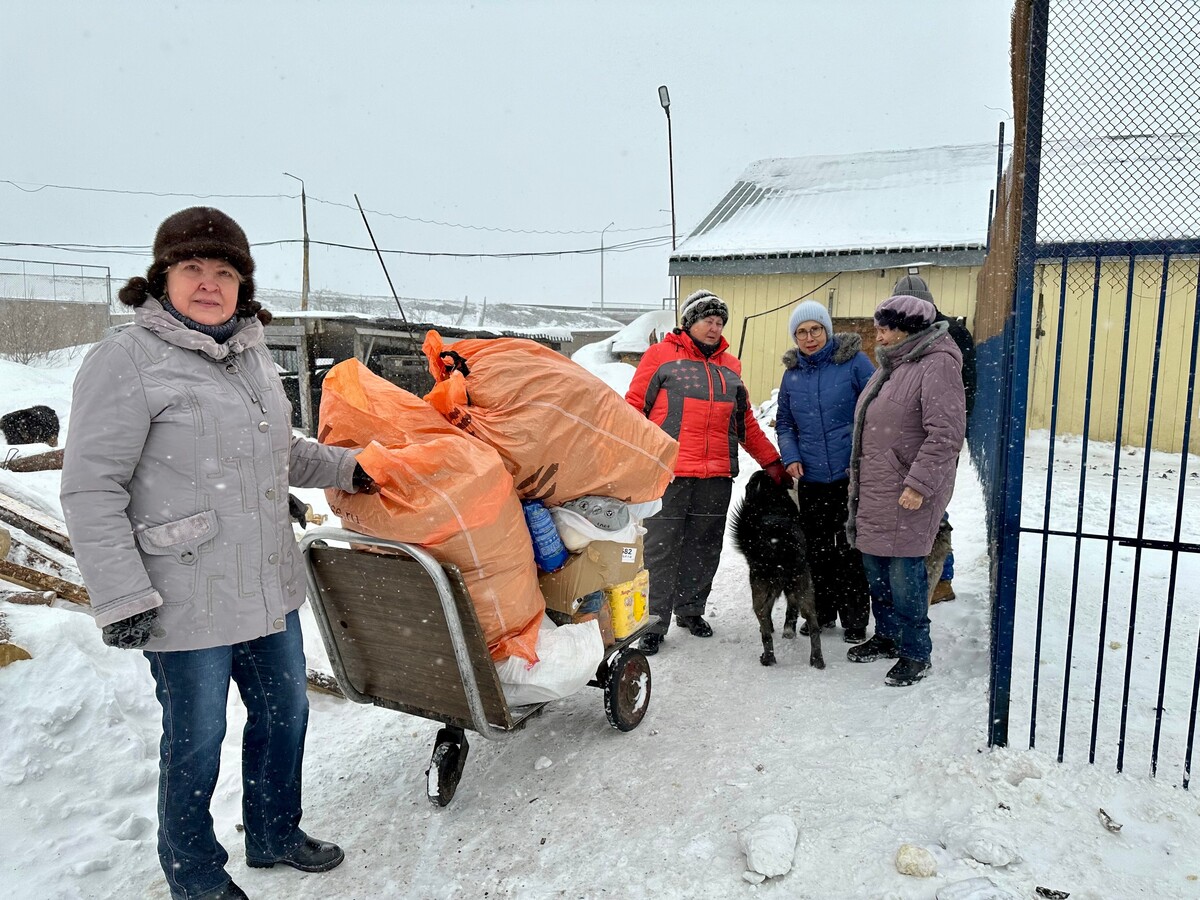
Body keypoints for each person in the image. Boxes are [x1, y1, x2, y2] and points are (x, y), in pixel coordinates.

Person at [60, 207, 378, 900]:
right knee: (197, 741)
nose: (210, 284)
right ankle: (196, 875)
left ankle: (272, 832)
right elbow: (91, 488)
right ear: (163, 279)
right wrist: (121, 597)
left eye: (224, 272)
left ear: (242, 285)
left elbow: (280, 453)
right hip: (182, 596)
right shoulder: (125, 360)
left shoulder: (253, 354)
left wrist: (350, 468)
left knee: (283, 717)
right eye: (193, 269)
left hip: (266, 585)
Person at [626, 289, 790, 655]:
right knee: (660, 548)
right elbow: (634, 410)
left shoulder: (730, 368)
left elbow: (744, 422)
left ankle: (691, 610)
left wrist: (772, 462)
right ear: (688, 322)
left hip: (715, 475)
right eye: (707, 320)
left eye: (719, 322)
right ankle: (653, 621)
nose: (714, 328)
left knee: (704, 547)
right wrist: (627, 459)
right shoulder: (660, 357)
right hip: (667, 473)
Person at [845, 294, 965, 686]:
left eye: (884, 328)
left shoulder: (938, 365)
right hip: (878, 487)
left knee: (904, 575)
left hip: (906, 491)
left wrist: (919, 484)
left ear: (908, 329)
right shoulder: (896, 364)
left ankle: (916, 653)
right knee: (877, 570)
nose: (877, 335)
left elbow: (945, 434)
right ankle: (888, 636)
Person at [774, 299, 875, 644]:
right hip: (813, 478)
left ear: (827, 330)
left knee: (850, 548)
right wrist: (790, 456)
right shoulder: (792, 375)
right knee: (816, 550)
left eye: (815, 329)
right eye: (801, 332)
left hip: (851, 476)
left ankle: (855, 618)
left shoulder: (854, 363)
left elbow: (876, 411)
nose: (809, 337)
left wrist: (863, 454)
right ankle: (821, 612)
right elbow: (785, 423)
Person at [890, 273, 976, 603]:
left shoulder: (947, 335)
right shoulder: (912, 333)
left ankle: (940, 578)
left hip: (935, 437)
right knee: (922, 505)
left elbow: (964, 392)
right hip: (915, 437)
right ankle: (928, 578)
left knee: (934, 507)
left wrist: (948, 436)